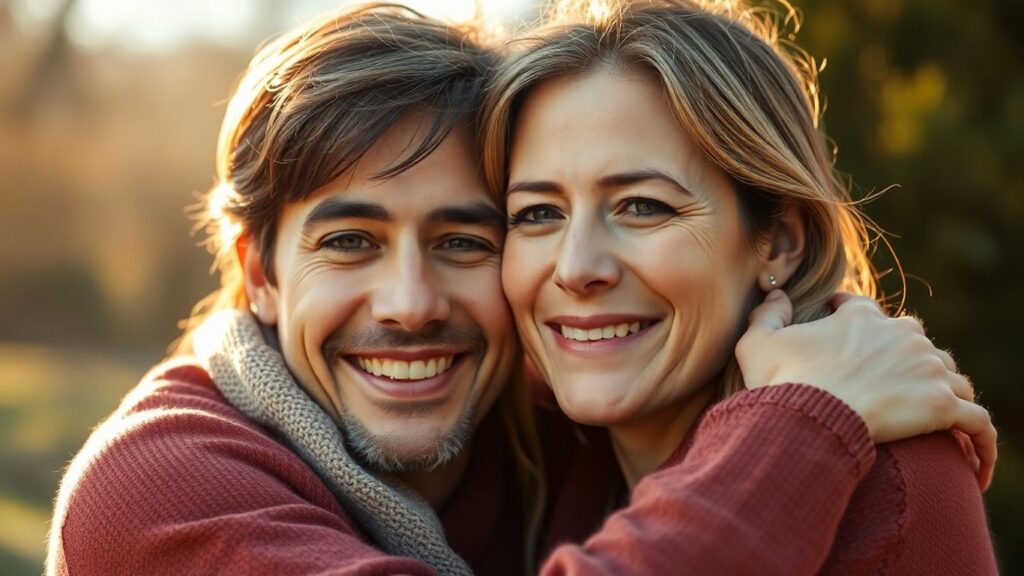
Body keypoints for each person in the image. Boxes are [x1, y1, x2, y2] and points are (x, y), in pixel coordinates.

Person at [46, 4, 994, 576]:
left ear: (776, 241)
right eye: (349, 240)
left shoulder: (879, 484)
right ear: (257, 272)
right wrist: (800, 421)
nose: (410, 302)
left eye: (468, 236)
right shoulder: (157, 491)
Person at [483, 0, 998, 573]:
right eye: (535, 213)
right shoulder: (529, 448)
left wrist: (813, 423)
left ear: (778, 241)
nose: (576, 268)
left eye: (643, 207)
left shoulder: (889, 489)